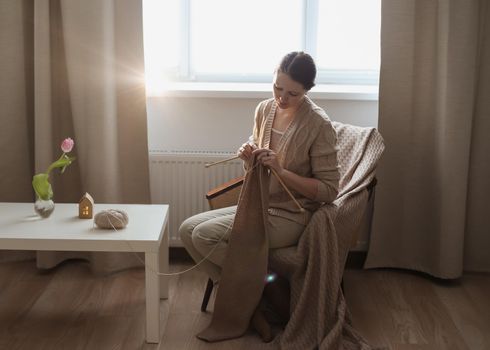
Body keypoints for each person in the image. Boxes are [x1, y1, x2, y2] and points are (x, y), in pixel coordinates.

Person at [179, 51, 340, 341]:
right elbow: (256, 156)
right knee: (187, 229)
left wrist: (281, 169)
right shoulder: (265, 109)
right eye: (278, 87)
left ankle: (247, 299)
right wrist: (248, 154)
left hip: (292, 214)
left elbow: (329, 190)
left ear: (307, 91)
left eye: (293, 93)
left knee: (204, 235)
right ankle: (256, 301)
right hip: (259, 205)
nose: (282, 98)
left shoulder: (319, 125)